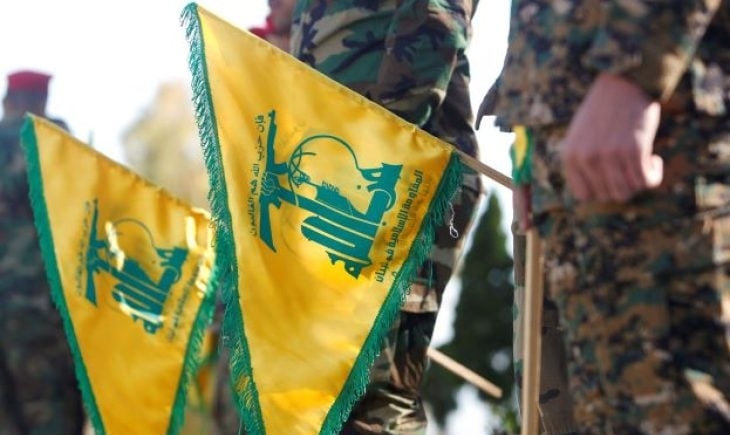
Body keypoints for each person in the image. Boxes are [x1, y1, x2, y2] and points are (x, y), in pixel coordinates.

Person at [486, 1, 730, 433]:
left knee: (683, 408)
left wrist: (633, 67)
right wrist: (528, 146)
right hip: (567, 152)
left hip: (662, 132)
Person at [289, 1, 482, 433]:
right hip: (344, 175)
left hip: (392, 173)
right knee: (317, 390)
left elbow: (437, 13)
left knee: (368, 397)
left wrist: (380, 139)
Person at [0, 70, 84, 434]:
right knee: (50, 408)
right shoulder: (52, 140)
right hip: (40, 307)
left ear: (8, 101)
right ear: (40, 102)